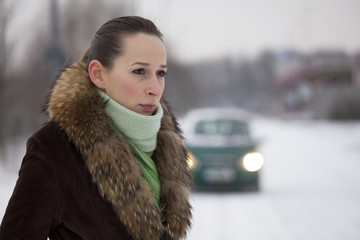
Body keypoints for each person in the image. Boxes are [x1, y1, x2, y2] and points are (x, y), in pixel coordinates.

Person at [0, 16, 192, 240]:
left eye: (161, 73)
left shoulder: (165, 148)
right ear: (98, 74)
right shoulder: (55, 150)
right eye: (140, 71)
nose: (154, 88)